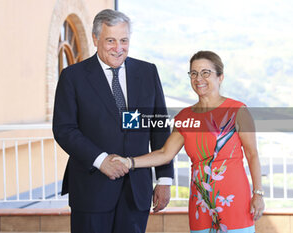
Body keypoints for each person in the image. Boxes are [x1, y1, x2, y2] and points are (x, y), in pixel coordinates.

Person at [113, 51, 265, 233]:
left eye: (205, 72)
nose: (198, 78)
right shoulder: (185, 117)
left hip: (233, 198)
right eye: (193, 73)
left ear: (220, 77)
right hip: (200, 200)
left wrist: (258, 193)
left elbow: (252, 154)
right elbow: (164, 153)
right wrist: (129, 162)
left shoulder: (237, 110)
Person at [52, 9, 174, 233]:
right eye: (111, 40)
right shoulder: (73, 77)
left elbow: (159, 128)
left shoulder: (147, 72)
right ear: (96, 38)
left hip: (136, 191)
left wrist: (164, 179)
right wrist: (101, 160)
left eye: (124, 40)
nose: (118, 48)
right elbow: (64, 130)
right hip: (91, 189)